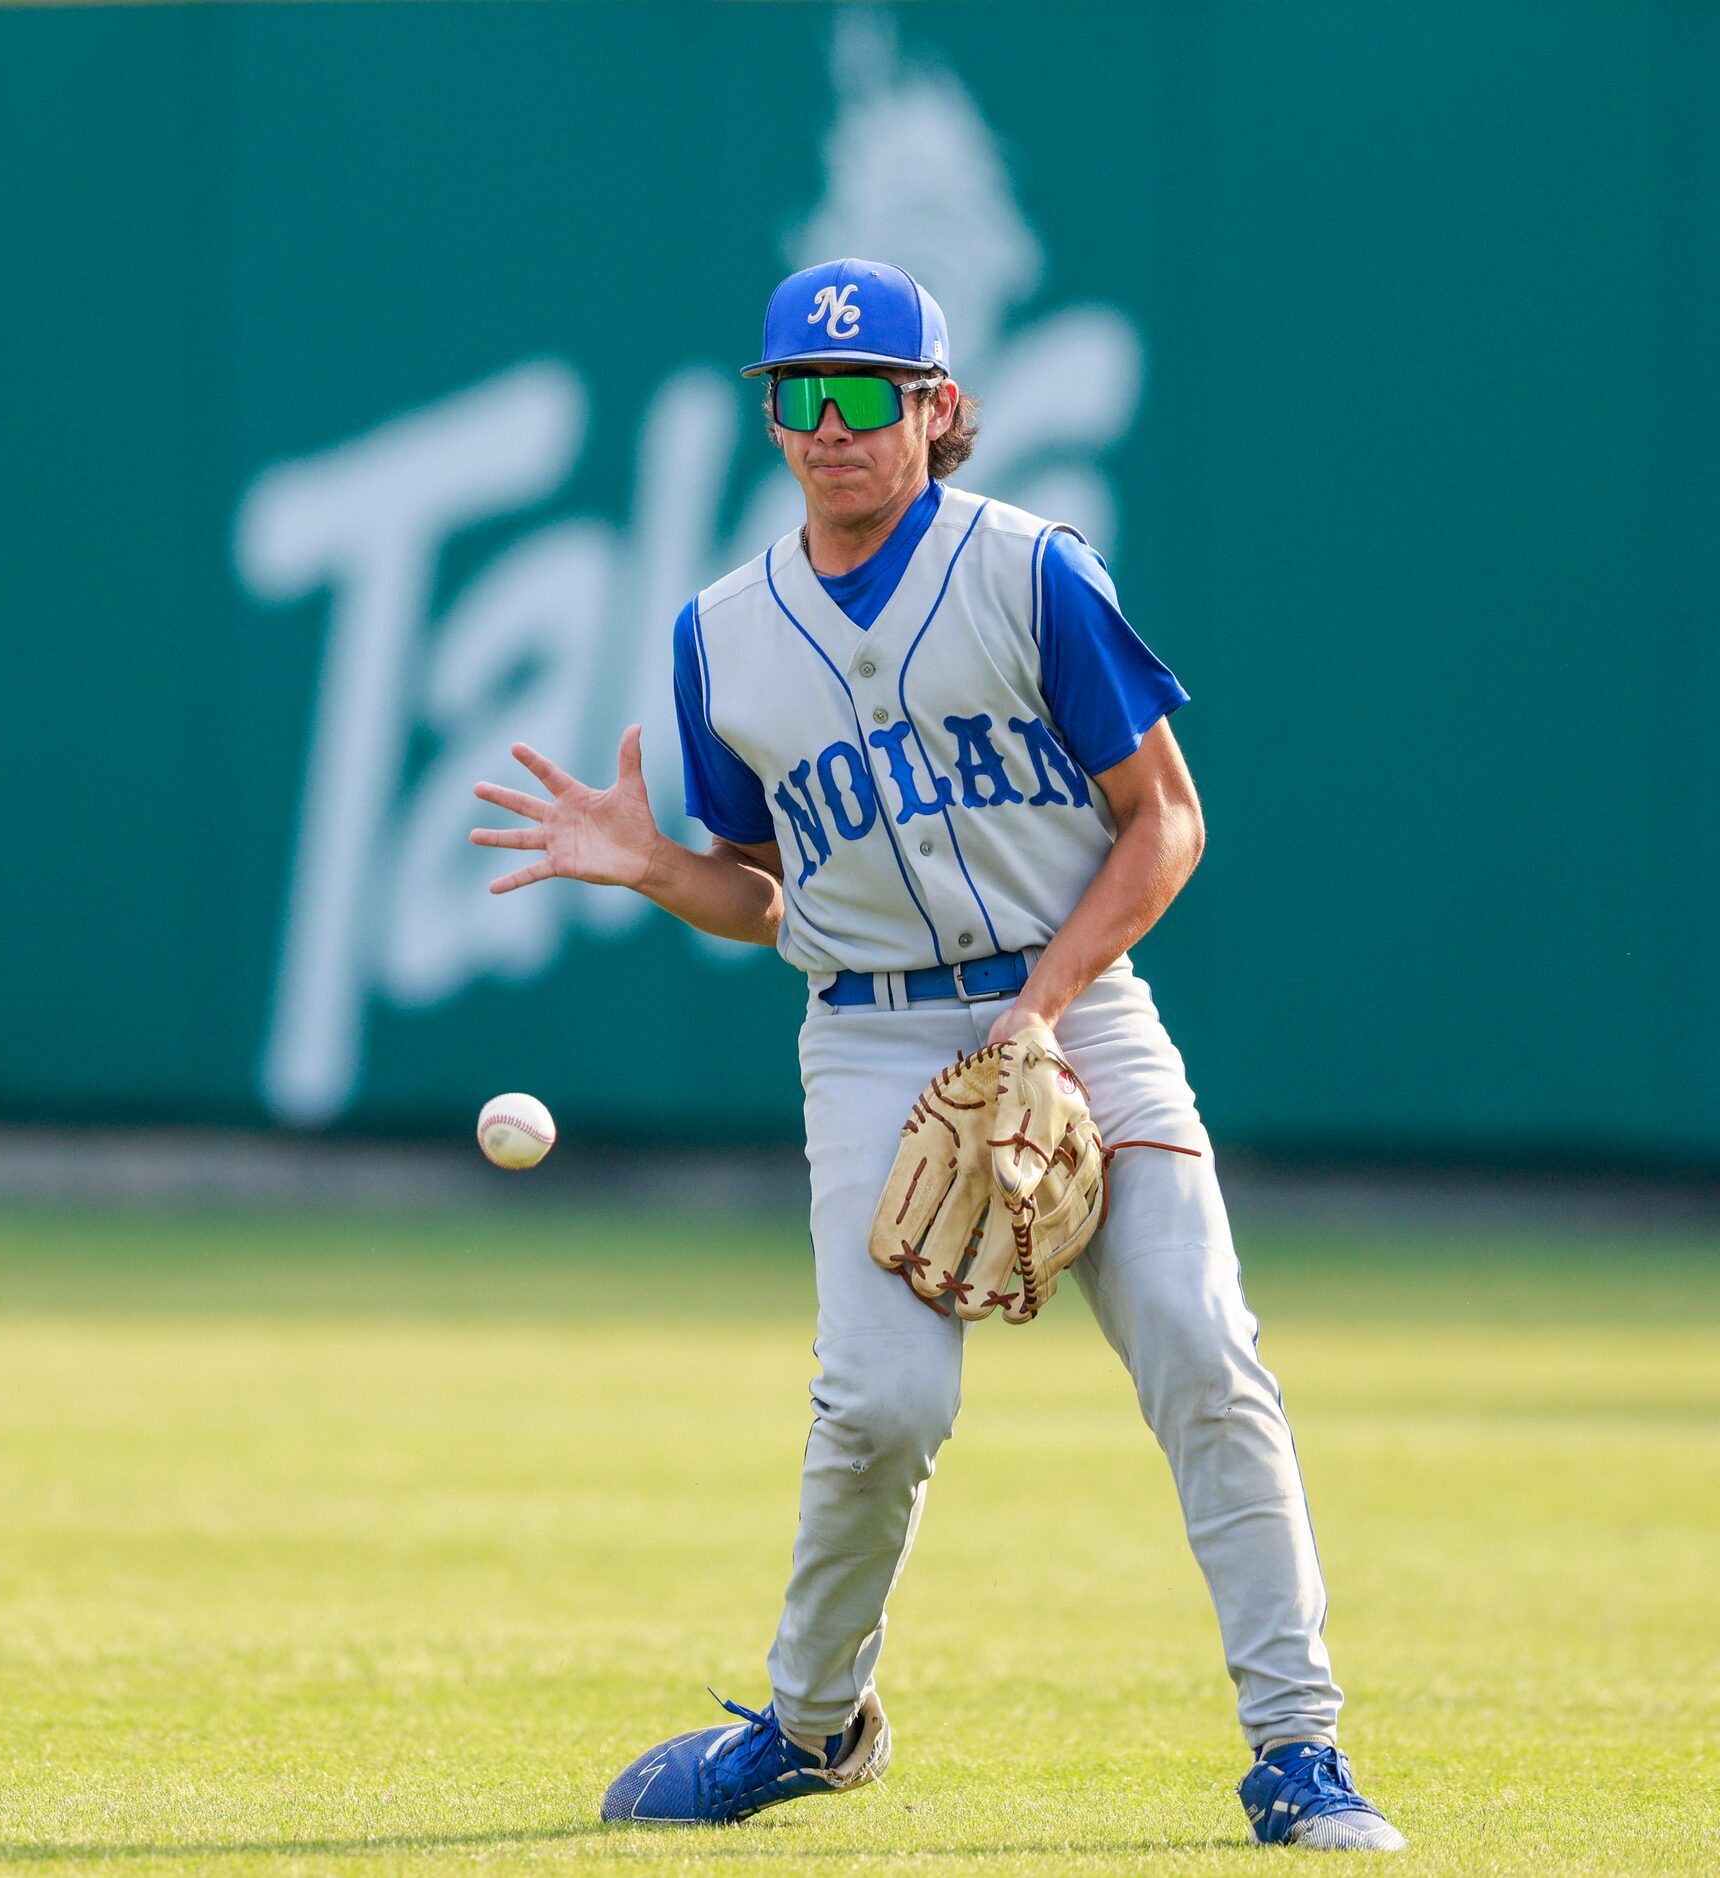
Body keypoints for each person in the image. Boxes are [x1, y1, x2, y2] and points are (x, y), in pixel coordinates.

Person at [469, 258, 1404, 1852]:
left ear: (938, 410)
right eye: (798, 397)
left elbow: (1165, 818)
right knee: (881, 1404)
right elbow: (768, 895)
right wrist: (651, 865)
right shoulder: (723, 635)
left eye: (864, 394)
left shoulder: (1030, 572)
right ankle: (813, 1724)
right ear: (772, 418)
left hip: (1080, 1009)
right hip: (871, 1033)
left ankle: (1301, 1754)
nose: (829, 425)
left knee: (1200, 1343)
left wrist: (1042, 1002)